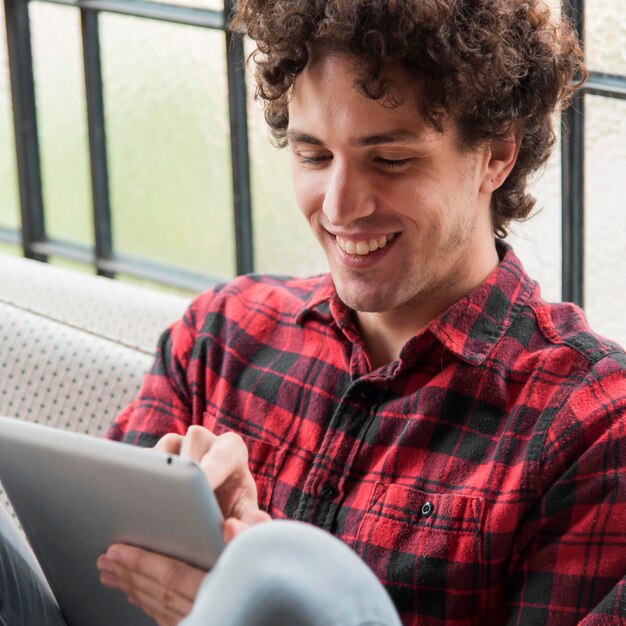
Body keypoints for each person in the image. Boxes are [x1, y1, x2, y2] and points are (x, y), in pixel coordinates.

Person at [1, 0, 625, 624]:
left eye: (391, 160)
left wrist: (261, 593)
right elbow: (88, 587)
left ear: (496, 155)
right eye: (313, 156)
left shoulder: (589, 427)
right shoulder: (221, 334)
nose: (340, 206)